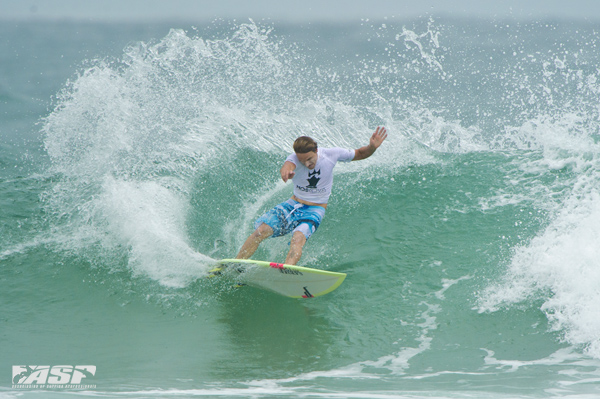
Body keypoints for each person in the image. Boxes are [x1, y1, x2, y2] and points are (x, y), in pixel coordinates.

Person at [235, 126, 388, 265]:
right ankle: (236, 264)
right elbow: (287, 166)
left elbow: (360, 153)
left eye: (309, 159)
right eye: (303, 161)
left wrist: (372, 147)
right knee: (260, 231)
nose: (307, 164)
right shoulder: (294, 158)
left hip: (315, 210)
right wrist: (286, 173)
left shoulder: (331, 154)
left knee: (298, 239)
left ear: (316, 151)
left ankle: (286, 271)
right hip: (292, 205)